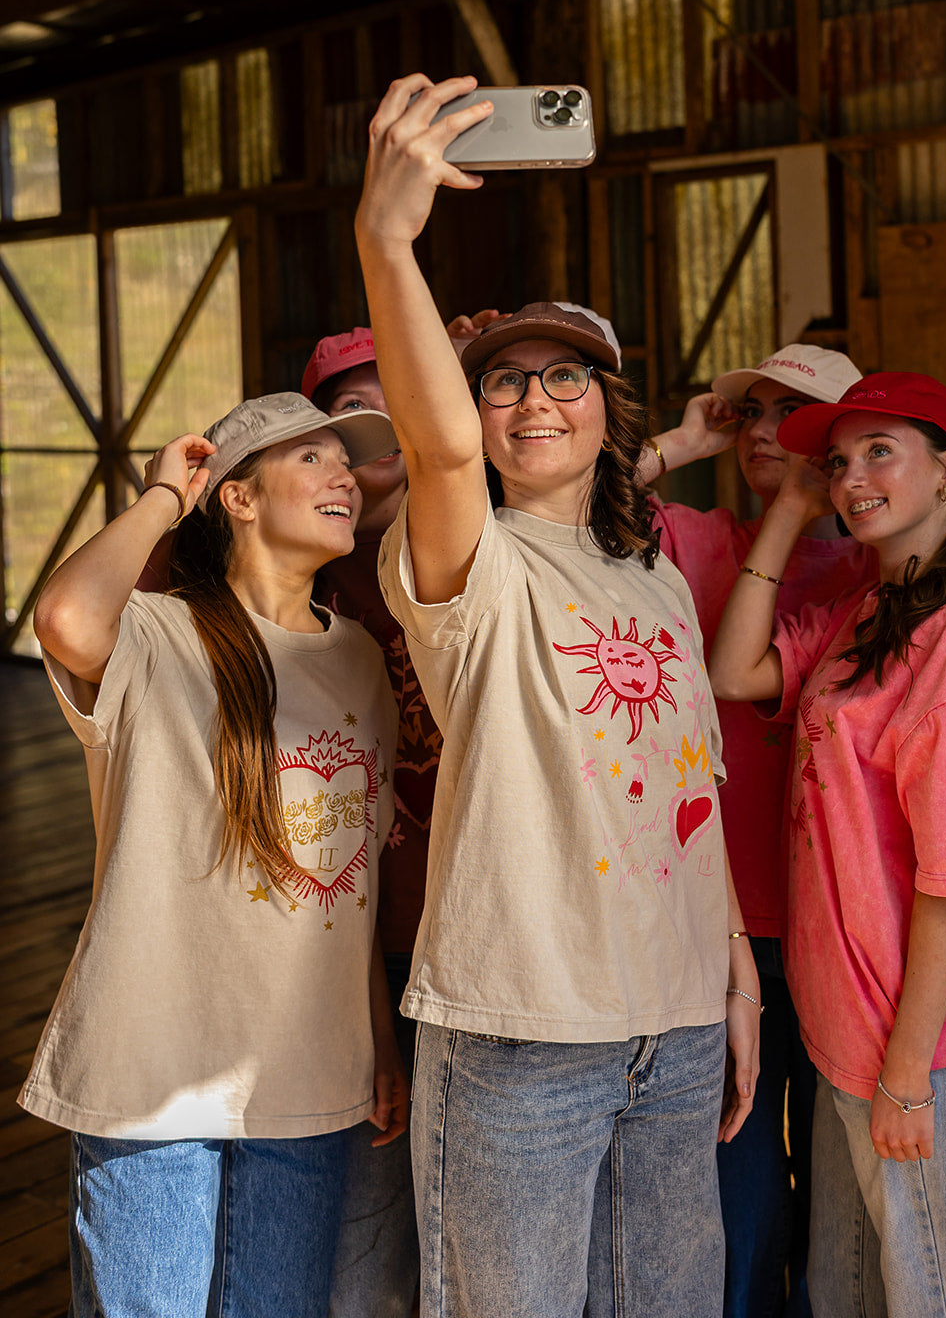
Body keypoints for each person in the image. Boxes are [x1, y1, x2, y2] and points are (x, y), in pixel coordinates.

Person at [354, 72, 761, 1318]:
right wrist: (386, 240)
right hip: (521, 1029)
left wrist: (733, 975)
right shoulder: (469, 561)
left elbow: (691, 793)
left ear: (606, 411)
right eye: (504, 381)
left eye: (565, 377)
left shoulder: (652, 575)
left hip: (674, 1026)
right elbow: (434, 450)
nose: (535, 397)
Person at [631, 346, 946, 1318]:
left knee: (942, 1297)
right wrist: (795, 503)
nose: (852, 476)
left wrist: (907, 1068)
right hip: (849, 1035)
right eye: (839, 460)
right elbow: (732, 674)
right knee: (852, 1294)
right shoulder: (864, 613)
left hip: (919, 1044)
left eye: (879, 451)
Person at [21, 392, 404, 1318]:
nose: (343, 477)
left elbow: (350, 877)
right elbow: (65, 617)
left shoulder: (361, 659)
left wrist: (375, 1038)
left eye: (345, 461)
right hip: (151, 1071)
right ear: (236, 497)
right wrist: (164, 496)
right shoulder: (157, 631)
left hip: (307, 1072)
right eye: (311, 458)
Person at [300, 313, 499, 1318]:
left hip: (483, 947)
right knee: (367, 1233)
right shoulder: (294, 585)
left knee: (482, 1234)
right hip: (353, 949)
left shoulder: (489, 553)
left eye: (402, 406)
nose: (383, 433)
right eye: (353, 416)